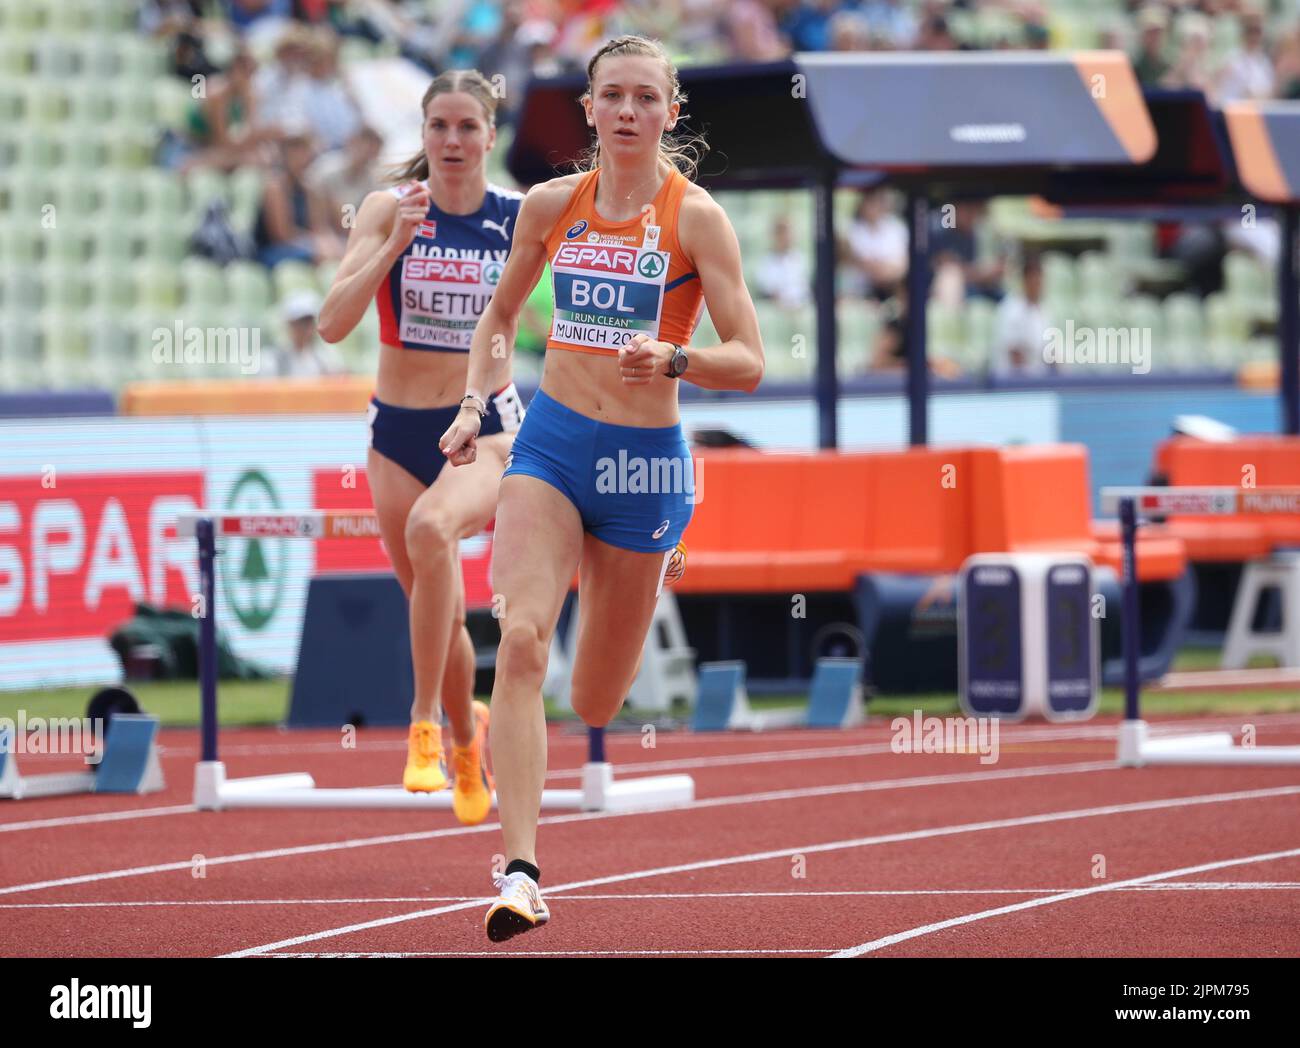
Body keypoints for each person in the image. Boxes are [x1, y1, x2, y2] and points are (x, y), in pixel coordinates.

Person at [439, 34, 764, 943]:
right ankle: (520, 873)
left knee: (591, 702)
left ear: (670, 111)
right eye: (611, 96)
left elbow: (750, 361)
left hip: (646, 467)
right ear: (587, 109)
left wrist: (678, 356)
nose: (627, 112)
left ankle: (655, 558)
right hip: (549, 448)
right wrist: (476, 404)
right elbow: (499, 317)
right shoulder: (550, 205)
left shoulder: (695, 219)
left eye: (645, 98)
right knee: (523, 637)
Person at [317, 70, 525, 825]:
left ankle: (424, 724)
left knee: (432, 529)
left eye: (469, 127)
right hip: (397, 431)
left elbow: (522, 325)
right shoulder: (386, 209)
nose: (453, 141)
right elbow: (332, 323)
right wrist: (394, 245)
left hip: (483, 430)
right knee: (432, 607)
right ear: (424, 133)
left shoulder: (515, 217)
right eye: (440, 126)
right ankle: (469, 740)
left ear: (491, 135)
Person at [267, 290, 344, 377]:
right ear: (289, 324)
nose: (307, 328)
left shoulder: (326, 355)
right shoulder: (272, 359)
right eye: (301, 322)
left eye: (310, 322)